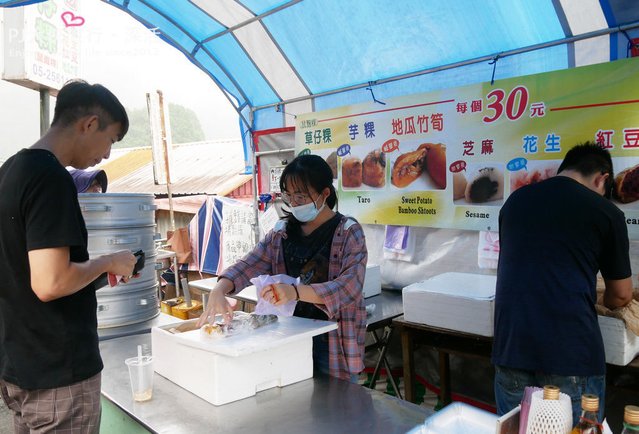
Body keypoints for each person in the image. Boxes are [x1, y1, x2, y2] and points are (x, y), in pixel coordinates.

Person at [0, 79, 138, 433]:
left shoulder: (9, 172)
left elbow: (21, 273)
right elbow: (50, 282)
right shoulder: (50, 178)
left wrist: (93, 275)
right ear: (89, 124)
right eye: (110, 140)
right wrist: (107, 262)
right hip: (58, 377)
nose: (106, 155)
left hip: (18, 368)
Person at [492, 142, 634, 424]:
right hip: (572, 355)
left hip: (511, 348)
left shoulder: (514, 203)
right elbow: (621, 295)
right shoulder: (606, 213)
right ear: (603, 178)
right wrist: (603, 301)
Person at [197, 154, 368, 381]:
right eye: (288, 195)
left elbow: (348, 288)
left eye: (301, 196)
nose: (294, 202)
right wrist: (220, 289)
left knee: (336, 404)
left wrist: (294, 292)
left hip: (332, 340)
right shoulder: (282, 231)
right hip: (288, 335)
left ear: (325, 194)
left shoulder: (348, 231)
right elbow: (251, 263)